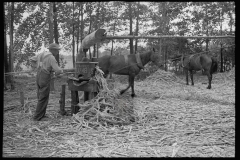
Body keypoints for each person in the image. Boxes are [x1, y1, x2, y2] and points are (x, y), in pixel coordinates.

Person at [30, 43, 64, 121]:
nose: (57, 52)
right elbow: (58, 70)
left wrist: (36, 67)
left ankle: (41, 115)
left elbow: (31, 60)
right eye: (57, 50)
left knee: (40, 95)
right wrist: (61, 71)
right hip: (44, 76)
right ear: (52, 50)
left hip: (38, 75)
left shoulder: (41, 54)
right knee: (43, 97)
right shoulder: (51, 57)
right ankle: (37, 117)